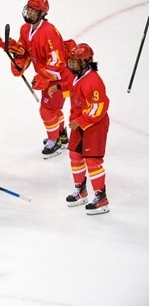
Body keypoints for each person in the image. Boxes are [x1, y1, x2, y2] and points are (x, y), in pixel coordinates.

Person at [48, 43, 110, 215]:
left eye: (75, 62)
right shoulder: (77, 76)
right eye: (71, 61)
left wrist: (81, 121)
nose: (71, 64)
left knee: (92, 161)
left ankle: (101, 198)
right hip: (79, 123)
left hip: (94, 125)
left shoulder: (93, 81)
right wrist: (59, 86)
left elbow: (99, 107)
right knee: (75, 156)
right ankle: (81, 191)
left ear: (86, 62)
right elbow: (71, 85)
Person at [8, 0, 72, 158]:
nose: (29, 13)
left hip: (60, 77)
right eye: (28, 9)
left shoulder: (49, 32)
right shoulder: (25, 29)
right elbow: (25, 51)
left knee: (47, 110)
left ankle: (54, 141)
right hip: (48, 75)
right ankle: (61, 136)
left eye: (33, 11)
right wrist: (20, 63)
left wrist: (43, 76)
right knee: (53, 109)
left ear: (42, 14)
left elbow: (58, 61)